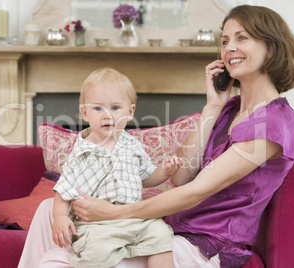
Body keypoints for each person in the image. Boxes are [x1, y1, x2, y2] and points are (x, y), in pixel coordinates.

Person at [19, 5, 294, 268]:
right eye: (225, 40)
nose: (229, 48)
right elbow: (180, 177)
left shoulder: (274, 121)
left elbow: (197, 190)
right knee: (50, 211)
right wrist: (212, 108)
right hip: (172, 227)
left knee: (57, 260)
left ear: (271, 47)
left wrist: (114, 213)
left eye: (242, 38)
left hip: (207, 243)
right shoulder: (228, 110)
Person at [30, 67, 183, 268]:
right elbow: (63, 189)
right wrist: (59, 217)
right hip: (96, 225)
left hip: (133, 218)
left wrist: (164, 172)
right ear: (84, 113)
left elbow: (146, 177)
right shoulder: (81, 152)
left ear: (130, 112)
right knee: (95, 255)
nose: (107, 115)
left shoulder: (132, 145)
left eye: (115, 108)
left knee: (161, 234)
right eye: (98, 108)